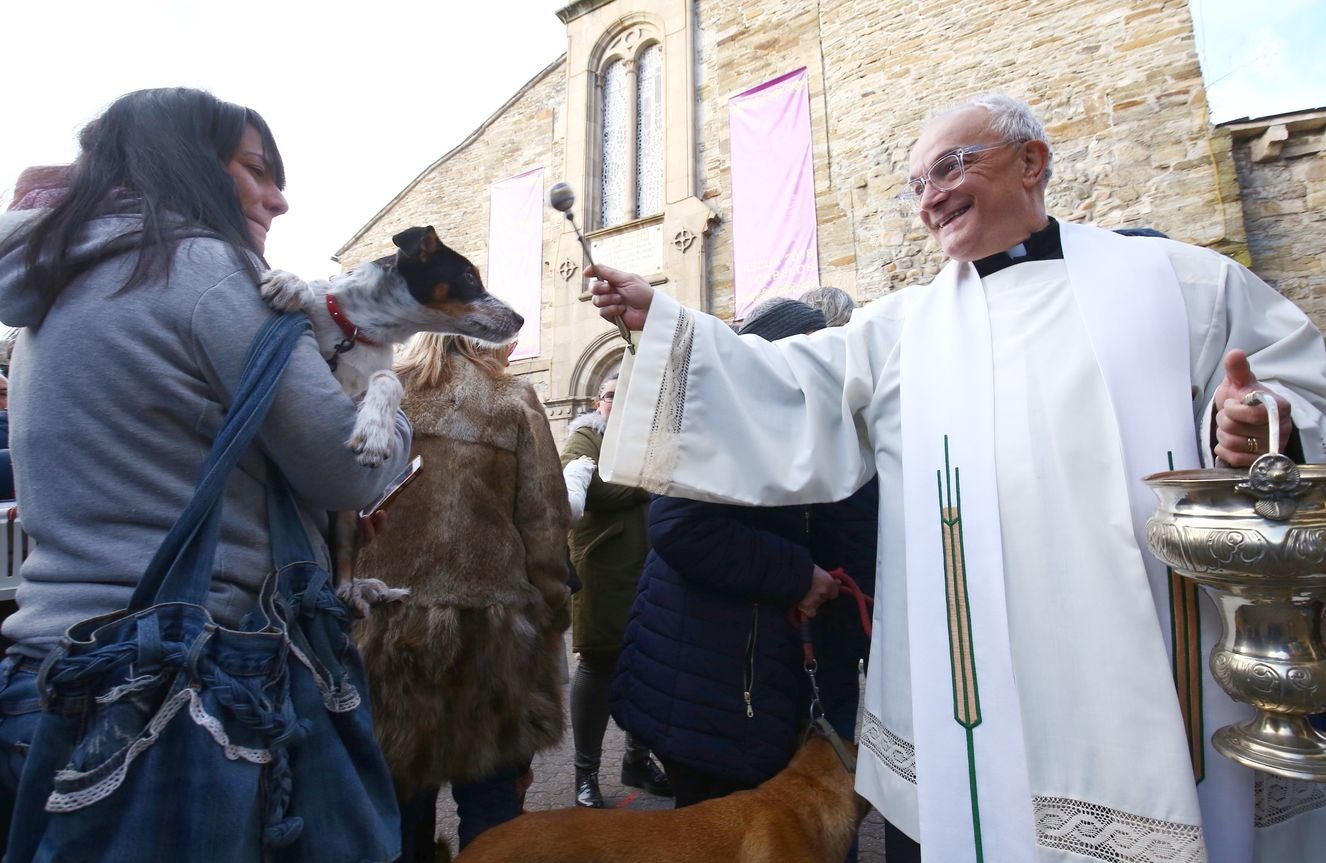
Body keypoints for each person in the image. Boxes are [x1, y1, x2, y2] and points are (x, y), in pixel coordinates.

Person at [586, 93, 1326, 862]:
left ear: (1032, 162)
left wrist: (1258, 425)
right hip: (971, 674)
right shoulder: (902, 327)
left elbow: (1294, 389)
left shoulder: (1182, 283)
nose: (930, 196)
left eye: (950, 166)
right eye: (917, 184)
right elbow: (783, 387)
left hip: (1147, 656)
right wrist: (667, 324)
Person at [0, 87, 410, 852]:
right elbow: (351, 469)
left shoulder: (48, 290)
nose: (279, 199)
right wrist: (391, 393)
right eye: (256, 170)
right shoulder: (208, 272)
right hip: (189, 692)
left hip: (52, 672)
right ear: (186, 162)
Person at [610, 298, 846, 805]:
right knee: (717, 827)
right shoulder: (718, 414)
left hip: (728, 665)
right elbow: (680, 528)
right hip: (713, 675)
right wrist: (799, 574)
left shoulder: (778, 415)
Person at [352, 333, 571, 858]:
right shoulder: (512, 400)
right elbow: (544, 523)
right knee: (494, 817)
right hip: (490, 644)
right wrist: (553, 615)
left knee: (396, 811)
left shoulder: (378, 393)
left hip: (386, 636)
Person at [561, 375, 671, 808]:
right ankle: (585, 773)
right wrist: (646, 482)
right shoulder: (586, 436)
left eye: (627, 394)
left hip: (650, 566)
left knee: (647, 665)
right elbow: (590, 489)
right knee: (599, 664)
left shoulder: (648, 439)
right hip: (603, 571)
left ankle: (637, 760)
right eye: (611, 395)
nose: (618, 402)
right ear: (597, 401)